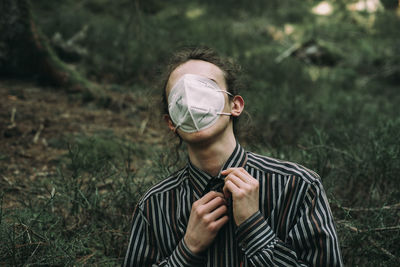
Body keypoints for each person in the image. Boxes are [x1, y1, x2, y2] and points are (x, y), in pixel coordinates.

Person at [123, 47, 343, 266]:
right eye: (178, 95)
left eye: (205, 86)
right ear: (171, 122)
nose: (191, 99)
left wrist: (254, 226)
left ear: (235, 105)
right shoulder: (154, 206)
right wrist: (186, 250)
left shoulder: (298, 186)